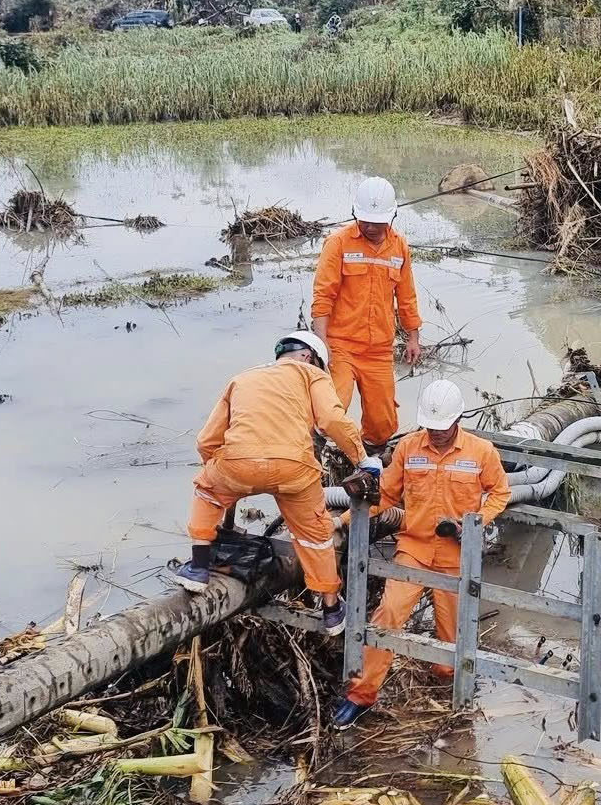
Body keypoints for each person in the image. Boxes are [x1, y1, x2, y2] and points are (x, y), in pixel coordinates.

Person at [332, 379, 508, 727]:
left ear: (458, 419)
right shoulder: (409, 448)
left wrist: (473, 524)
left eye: (442, 428)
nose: (437, 433)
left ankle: (446, 679)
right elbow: (386, 494)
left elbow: (500, 493)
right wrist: (345, 519)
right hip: (414, 546)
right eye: (431, 427)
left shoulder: (481, 452)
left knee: (453, 631)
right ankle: (360, 694)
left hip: (455, 552)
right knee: (389, 615)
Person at [184, 330, 379, 635]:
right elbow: (331, 420)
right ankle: (330, 609)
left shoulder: (242, 379)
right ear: (307, 356)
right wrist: (362, 459)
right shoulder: (311, 375)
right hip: (294, 467)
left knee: (206, 491)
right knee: (315, 532)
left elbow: (207, 439)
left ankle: (197, 568)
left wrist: (219, 474)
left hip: (239, 462)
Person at [312, 176, 423, 450]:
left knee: (382, 424)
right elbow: (323, 295)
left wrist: (413, 337)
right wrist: (321, 344)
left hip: (379, 351)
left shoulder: (399, 248)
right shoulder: (338, 243)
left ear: (392, 216)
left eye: (378, 221)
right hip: (341, 346)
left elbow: (406, 296)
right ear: (355, 214)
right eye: (366, 220)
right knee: (330, 411)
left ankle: (368, 460)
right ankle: (315, 456)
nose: (371, 227)